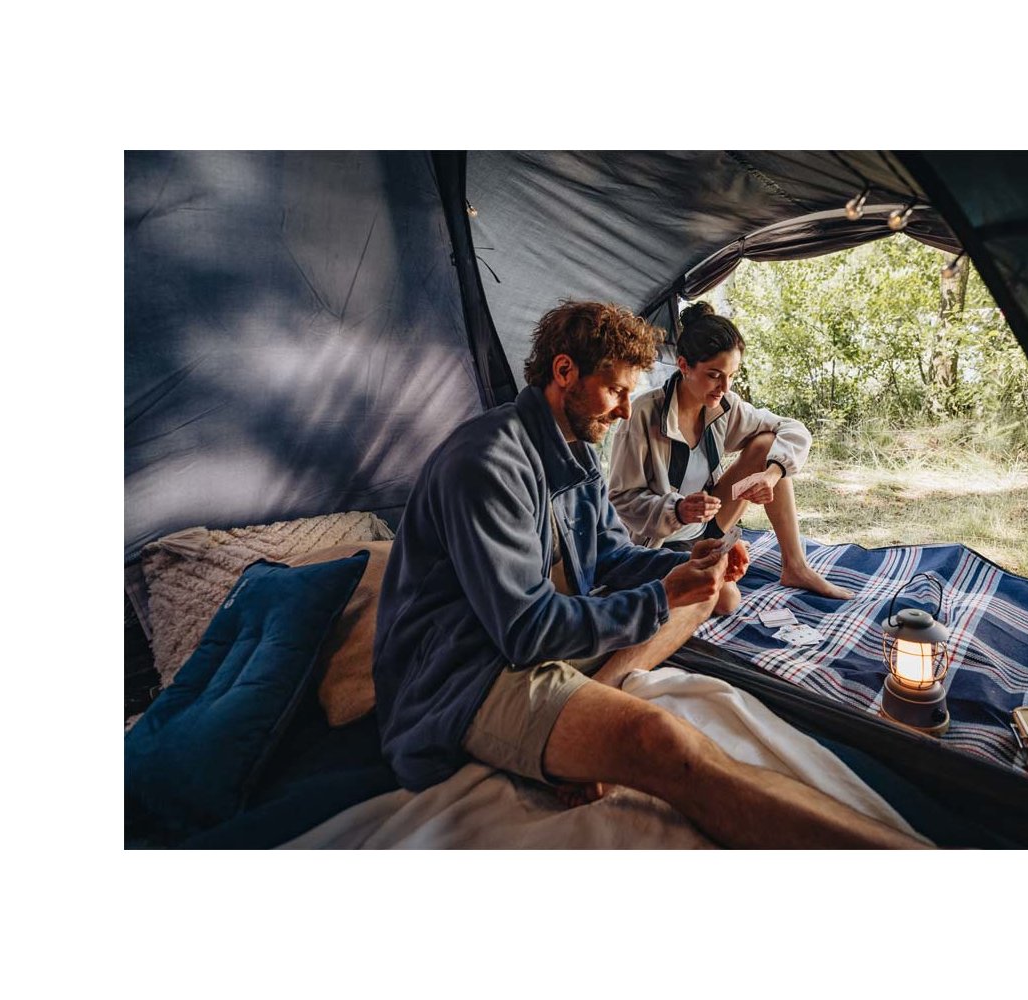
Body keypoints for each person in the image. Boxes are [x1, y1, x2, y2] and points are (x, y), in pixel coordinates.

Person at [371, 299, 921, 849]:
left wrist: (691, 563)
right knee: (659, 740)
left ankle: (597, 691)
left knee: (708, 591)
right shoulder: (488, 462)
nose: (623, 410)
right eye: (616, 391)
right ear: (565, 372)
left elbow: (610, 557)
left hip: (521, 640)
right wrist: (662, 594)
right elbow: (526, 630)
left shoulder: (573, 449)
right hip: (465, 672)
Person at [608, 301, 854, 615]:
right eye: (714, 375)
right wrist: (679, 509)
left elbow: (793, 430)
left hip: (710, 524)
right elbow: (622, 501)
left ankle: (795, 566)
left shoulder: (725, 405)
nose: (724, 387)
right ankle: (699, 565)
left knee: (767, 444)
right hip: (659, 541)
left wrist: (772, 474)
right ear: (684, 366)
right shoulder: (641, 413)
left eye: (731, 376)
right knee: (727, 601)